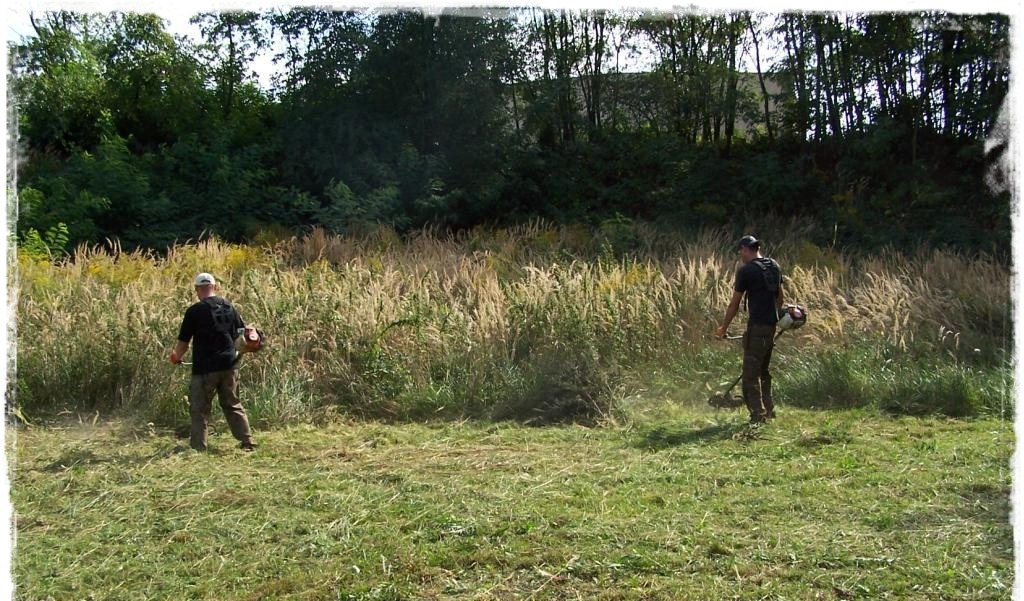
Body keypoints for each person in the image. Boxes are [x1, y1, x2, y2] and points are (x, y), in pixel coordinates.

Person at [170, 272, 257, 451]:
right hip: (230, 365)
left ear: (197, 289)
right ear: (215, 287)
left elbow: (183, 343)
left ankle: (199, 447)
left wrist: (176, 357)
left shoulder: (194, 311)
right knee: (232, 404)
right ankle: (247, 441)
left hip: (205, 368)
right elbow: (241, 335)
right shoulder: (229, 306)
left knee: (199, 408)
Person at [715, 235, 784, 424]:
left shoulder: (746, 271)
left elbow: (734, 304)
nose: (740, 254)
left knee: (750, 375)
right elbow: (780, 297)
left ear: (746, 249)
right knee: (763, 371)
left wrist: (723, 328)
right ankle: (769, 410)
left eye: (741, 250)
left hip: (757, 327)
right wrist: (774, 317)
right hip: (770, 327)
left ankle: (758, 415)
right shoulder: (774, 266)